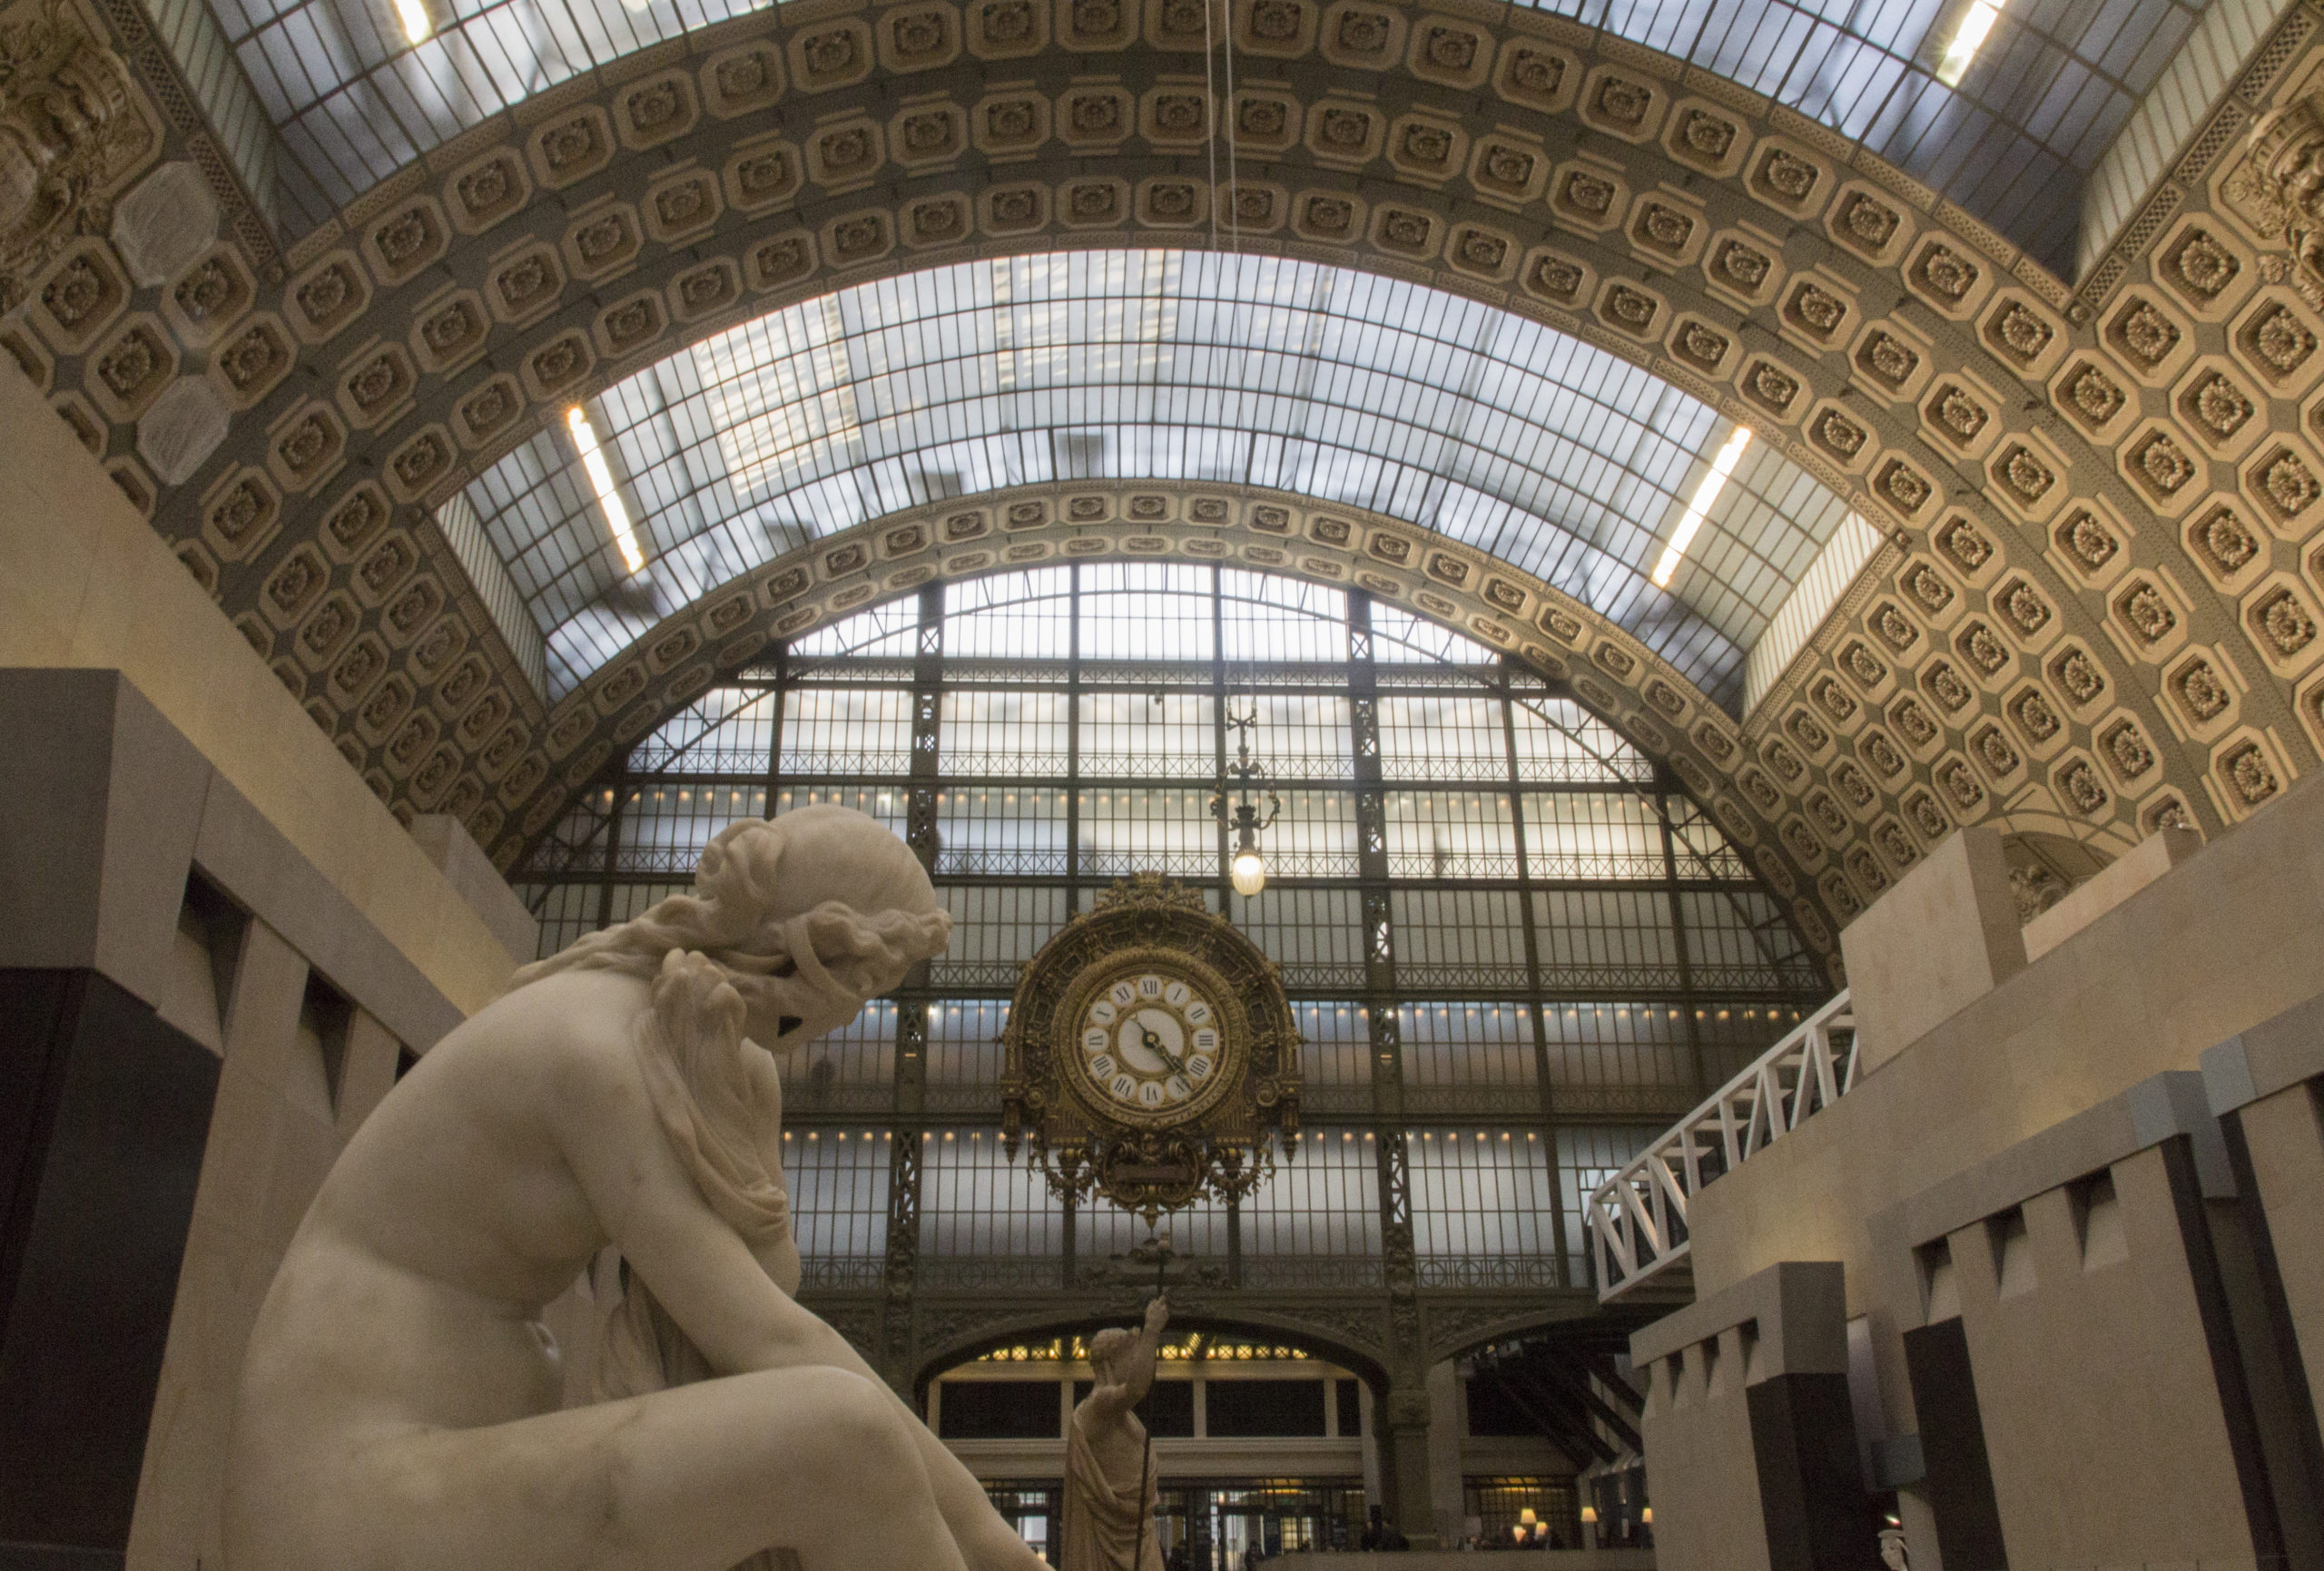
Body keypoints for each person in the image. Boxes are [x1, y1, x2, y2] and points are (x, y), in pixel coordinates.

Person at [223, 809, 1047, 1571]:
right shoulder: (597, 1049)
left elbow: (769, 1281)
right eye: (866, 990)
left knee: (838, 1436)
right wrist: (995, 1543)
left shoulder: (691, 1043)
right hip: (351, 1494)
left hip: (449, 1469)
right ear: (815, 966)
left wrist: (744, 1095)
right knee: (847, 1438)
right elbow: (764, 1336)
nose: (853, 1018)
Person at [1062, 1295, 1171, 1571]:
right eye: (1131, 1358)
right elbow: (1135, 1389)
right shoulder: (1096, 1406)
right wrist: (1151, 1331)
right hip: (1113, 1534)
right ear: (1110, 1362)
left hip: (1137, 1530)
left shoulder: (1120, 1414)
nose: (1136, 1364)